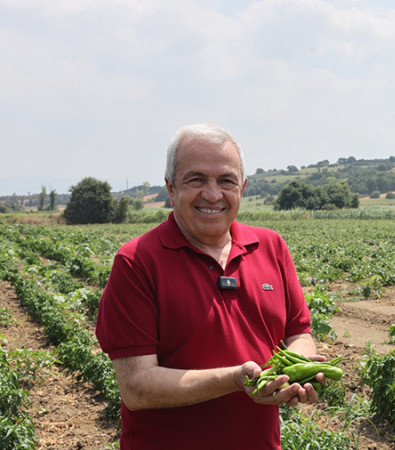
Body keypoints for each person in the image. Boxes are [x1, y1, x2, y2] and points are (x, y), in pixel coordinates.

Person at [96, 123, 324, 449]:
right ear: (171, 188)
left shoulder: (272, 247)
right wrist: (234, 379)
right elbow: (137, 387)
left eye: (226, 181)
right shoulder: (137, 262)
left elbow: (299, 334)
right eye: (196, 179)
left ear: (242, 188)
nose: (213, 194)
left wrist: (296, 375)